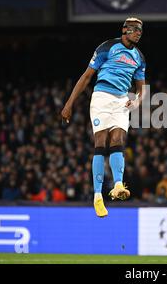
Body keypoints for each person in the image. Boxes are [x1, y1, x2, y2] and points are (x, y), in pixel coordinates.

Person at [61, 17, 146, 217]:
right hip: (101, 97)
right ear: (124, 30)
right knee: (101, 142)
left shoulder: (139, 57)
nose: (138, 33)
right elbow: (86, 76)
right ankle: (98, 196)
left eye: (140, 31)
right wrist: (69, 103)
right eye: (135, 30)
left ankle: (118, 185)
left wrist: (136, 101)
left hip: (121, 101)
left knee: (118, 139)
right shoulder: (107, 47)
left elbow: (142, 89)